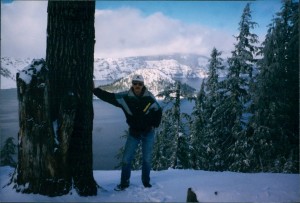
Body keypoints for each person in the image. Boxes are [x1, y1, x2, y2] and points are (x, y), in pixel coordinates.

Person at [93, 74, 162, 191]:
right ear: (132, 84)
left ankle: (146, 182)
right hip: (134, 133)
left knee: (147, 160)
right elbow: (110, 97)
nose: (137, 86)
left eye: (139, 84)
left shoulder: (149, 97)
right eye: (135, 83)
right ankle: (124, 183)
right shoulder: (125, 97)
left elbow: (158, 110)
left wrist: (153, 124)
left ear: (143, 85)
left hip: (148, 133)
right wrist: (95, 91)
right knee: (126, 160)